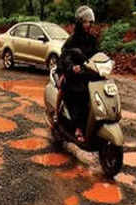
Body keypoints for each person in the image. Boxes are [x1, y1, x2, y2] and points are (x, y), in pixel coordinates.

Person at [56, 5, 98, 142]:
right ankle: (79, 127)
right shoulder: (72, 40)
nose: (88, 25)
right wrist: (71, 67)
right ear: (80, 23)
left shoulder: (92, 40)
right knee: (80, 95)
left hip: (87, 73)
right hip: (74, 75)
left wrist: (105, 63)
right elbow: (65, 56)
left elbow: (98, 55)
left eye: (90, 22)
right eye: (86, 22)